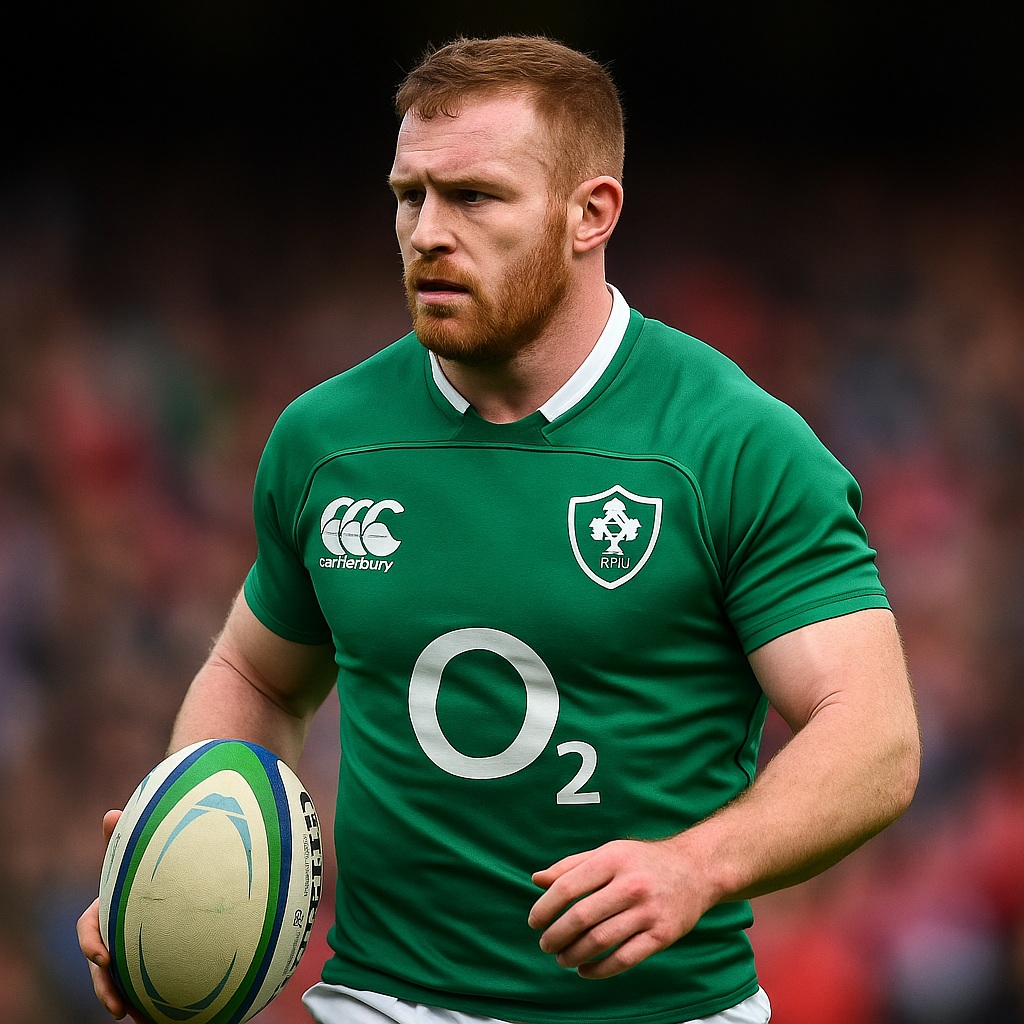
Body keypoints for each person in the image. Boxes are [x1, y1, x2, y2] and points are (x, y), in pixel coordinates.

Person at [78, 33, 921, 1024]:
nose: (428, 232)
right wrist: (180, 865)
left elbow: (873, 736)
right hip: (380, 1002)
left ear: (589, 213)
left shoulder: (735, 444)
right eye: (410, 196)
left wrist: (697, 865)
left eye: (474, 196)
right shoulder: (325, 439)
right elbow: (258, 675)